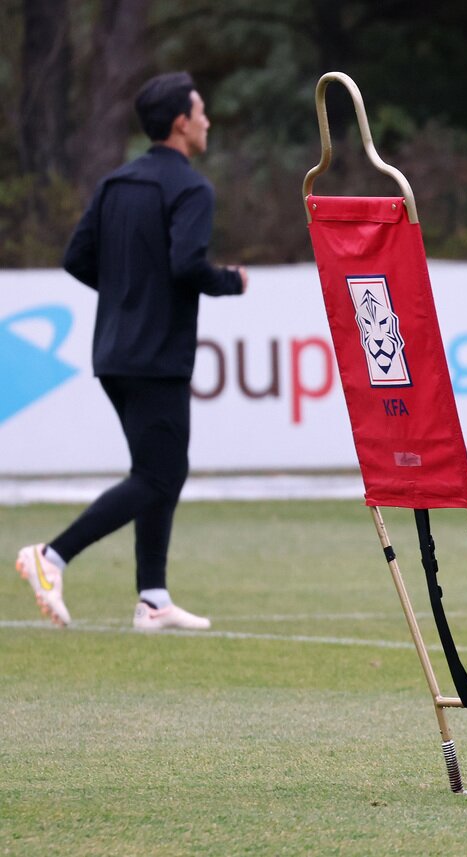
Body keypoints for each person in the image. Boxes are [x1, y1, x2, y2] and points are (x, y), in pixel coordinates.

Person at [15, 72, 246, 631]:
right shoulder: (192, 189)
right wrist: (230, 282)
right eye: (201, 110)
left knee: (159, 470)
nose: (207, 120)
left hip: (115, 353)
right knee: (159, 476)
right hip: (157, 355)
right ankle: (51, 557)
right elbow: (187, 266)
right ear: (179, 123)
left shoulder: (116, 184)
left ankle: (152, 598)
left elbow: (77, 258)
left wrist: (126, 295)